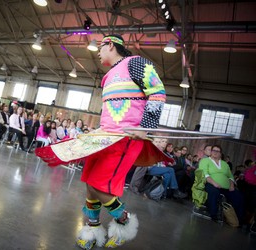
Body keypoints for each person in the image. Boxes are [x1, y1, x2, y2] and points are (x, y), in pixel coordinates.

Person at [35, 34, 170, 249]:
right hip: (104, 137)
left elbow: (157, 92)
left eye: (100, 47)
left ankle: (123, 223)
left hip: (126, 137)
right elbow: (109, 112)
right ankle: (92, 230)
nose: (98, 52)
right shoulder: (107, 77)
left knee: (100, 184)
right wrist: (93, 133)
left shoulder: (135, 63)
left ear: (110, 45)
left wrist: (146, 127)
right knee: (89, 183)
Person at [199, 145, 244, 223]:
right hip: (210, 184)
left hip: (226, 188)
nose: (215, 152)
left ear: (220, 153)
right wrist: (214, 183)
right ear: (211, 152)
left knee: (239, 196)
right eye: (214, 150)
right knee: (214, 192)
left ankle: (238, 220)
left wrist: (232, 185)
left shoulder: (224, 164)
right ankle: (214, 214)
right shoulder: (205, 161)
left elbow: (230, 176)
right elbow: (205, 174)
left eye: (218, 151)